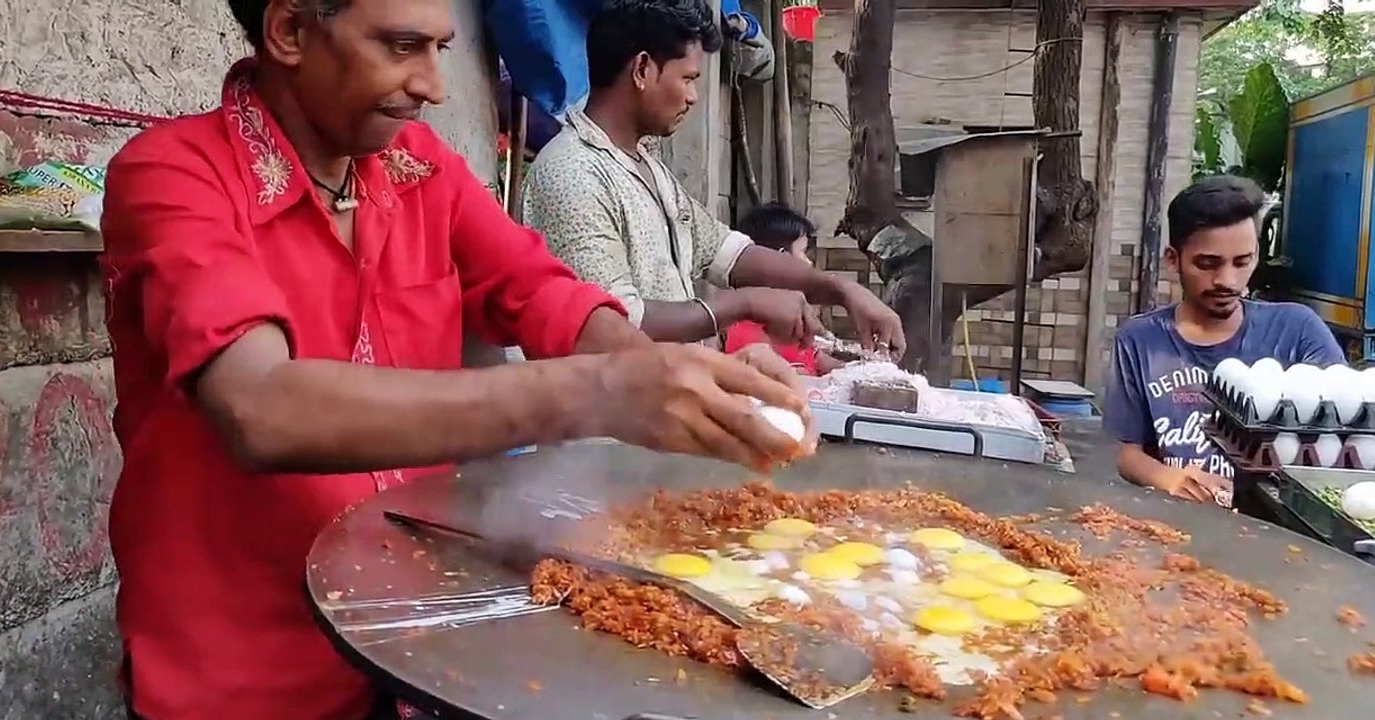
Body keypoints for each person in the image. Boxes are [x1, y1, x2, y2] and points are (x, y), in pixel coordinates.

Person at [99, 1, 816, 718]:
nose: (434, 86)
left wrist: (681, 382)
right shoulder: (173, 175)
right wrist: (603, 390)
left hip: (421, 649)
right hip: (248, 677)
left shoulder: (420, 169)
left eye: (441, 47)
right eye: (403, 47)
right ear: (289, 31)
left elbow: (542, 293)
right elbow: (259, 407)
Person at [522, 0, 904, 355]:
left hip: (662, 414)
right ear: (641, 70)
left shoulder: (647, 167)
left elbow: (730, 253)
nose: (693, 96)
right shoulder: (573, 174)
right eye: (688, 79)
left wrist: (840, 288)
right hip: (603, 425)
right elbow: (617, 320)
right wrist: (746, 303)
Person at [1105, 175, 1345, 507]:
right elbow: (1126, 451)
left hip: (1276, 531)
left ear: (1257, 254)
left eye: (1242, 262)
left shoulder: (1297, 330)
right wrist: (1170, 479)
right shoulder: (1140, 340)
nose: (1227, 281)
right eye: (1208, 264)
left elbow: (1344, 438)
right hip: (1177, 524)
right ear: (1173, 259)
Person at [724, 203, 846, 376]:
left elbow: (817, 359)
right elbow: (770, 378)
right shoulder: (748, 327)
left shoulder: (790, 318)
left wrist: (860, 370)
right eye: (803, 252)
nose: (809, 262)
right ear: (781, 257)